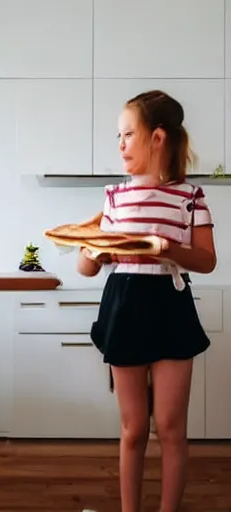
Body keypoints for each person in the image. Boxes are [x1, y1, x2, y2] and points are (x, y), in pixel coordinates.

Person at [77, 90, 217, 512]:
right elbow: (86, 267)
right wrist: (94, 249)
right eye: (117, 136)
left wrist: (166, 248)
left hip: (170, 306)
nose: (119, 144)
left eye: (127, 134)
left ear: (157, 138)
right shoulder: (113, 197)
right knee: (133, 429)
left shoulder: (190, 196)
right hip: (124, 304)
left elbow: (207, 260)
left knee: (172, 429)